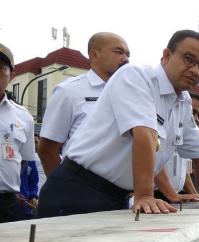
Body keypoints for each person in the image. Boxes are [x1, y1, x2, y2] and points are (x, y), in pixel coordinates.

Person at [38, 29, 199, 217]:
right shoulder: (137, 77)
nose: (195, 70)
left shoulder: (183, 101)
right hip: (77, 189)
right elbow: (144, 134)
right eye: (188, 59)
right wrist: (144, 195)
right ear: (167, 55)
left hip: (117, 197)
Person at [38, 32, 130, 177]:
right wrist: (61, 188)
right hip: (79, 190)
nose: (126, 59)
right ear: (94, 55)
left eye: (128, 54)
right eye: (119, 52)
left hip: (119, 193)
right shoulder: (69, 91)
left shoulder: (128, 95)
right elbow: (47, 148)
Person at [0, 43, 36, 222]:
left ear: (11, 76)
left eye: (0, 69)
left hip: (7, 204)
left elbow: (23, 159)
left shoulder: (23, 117)